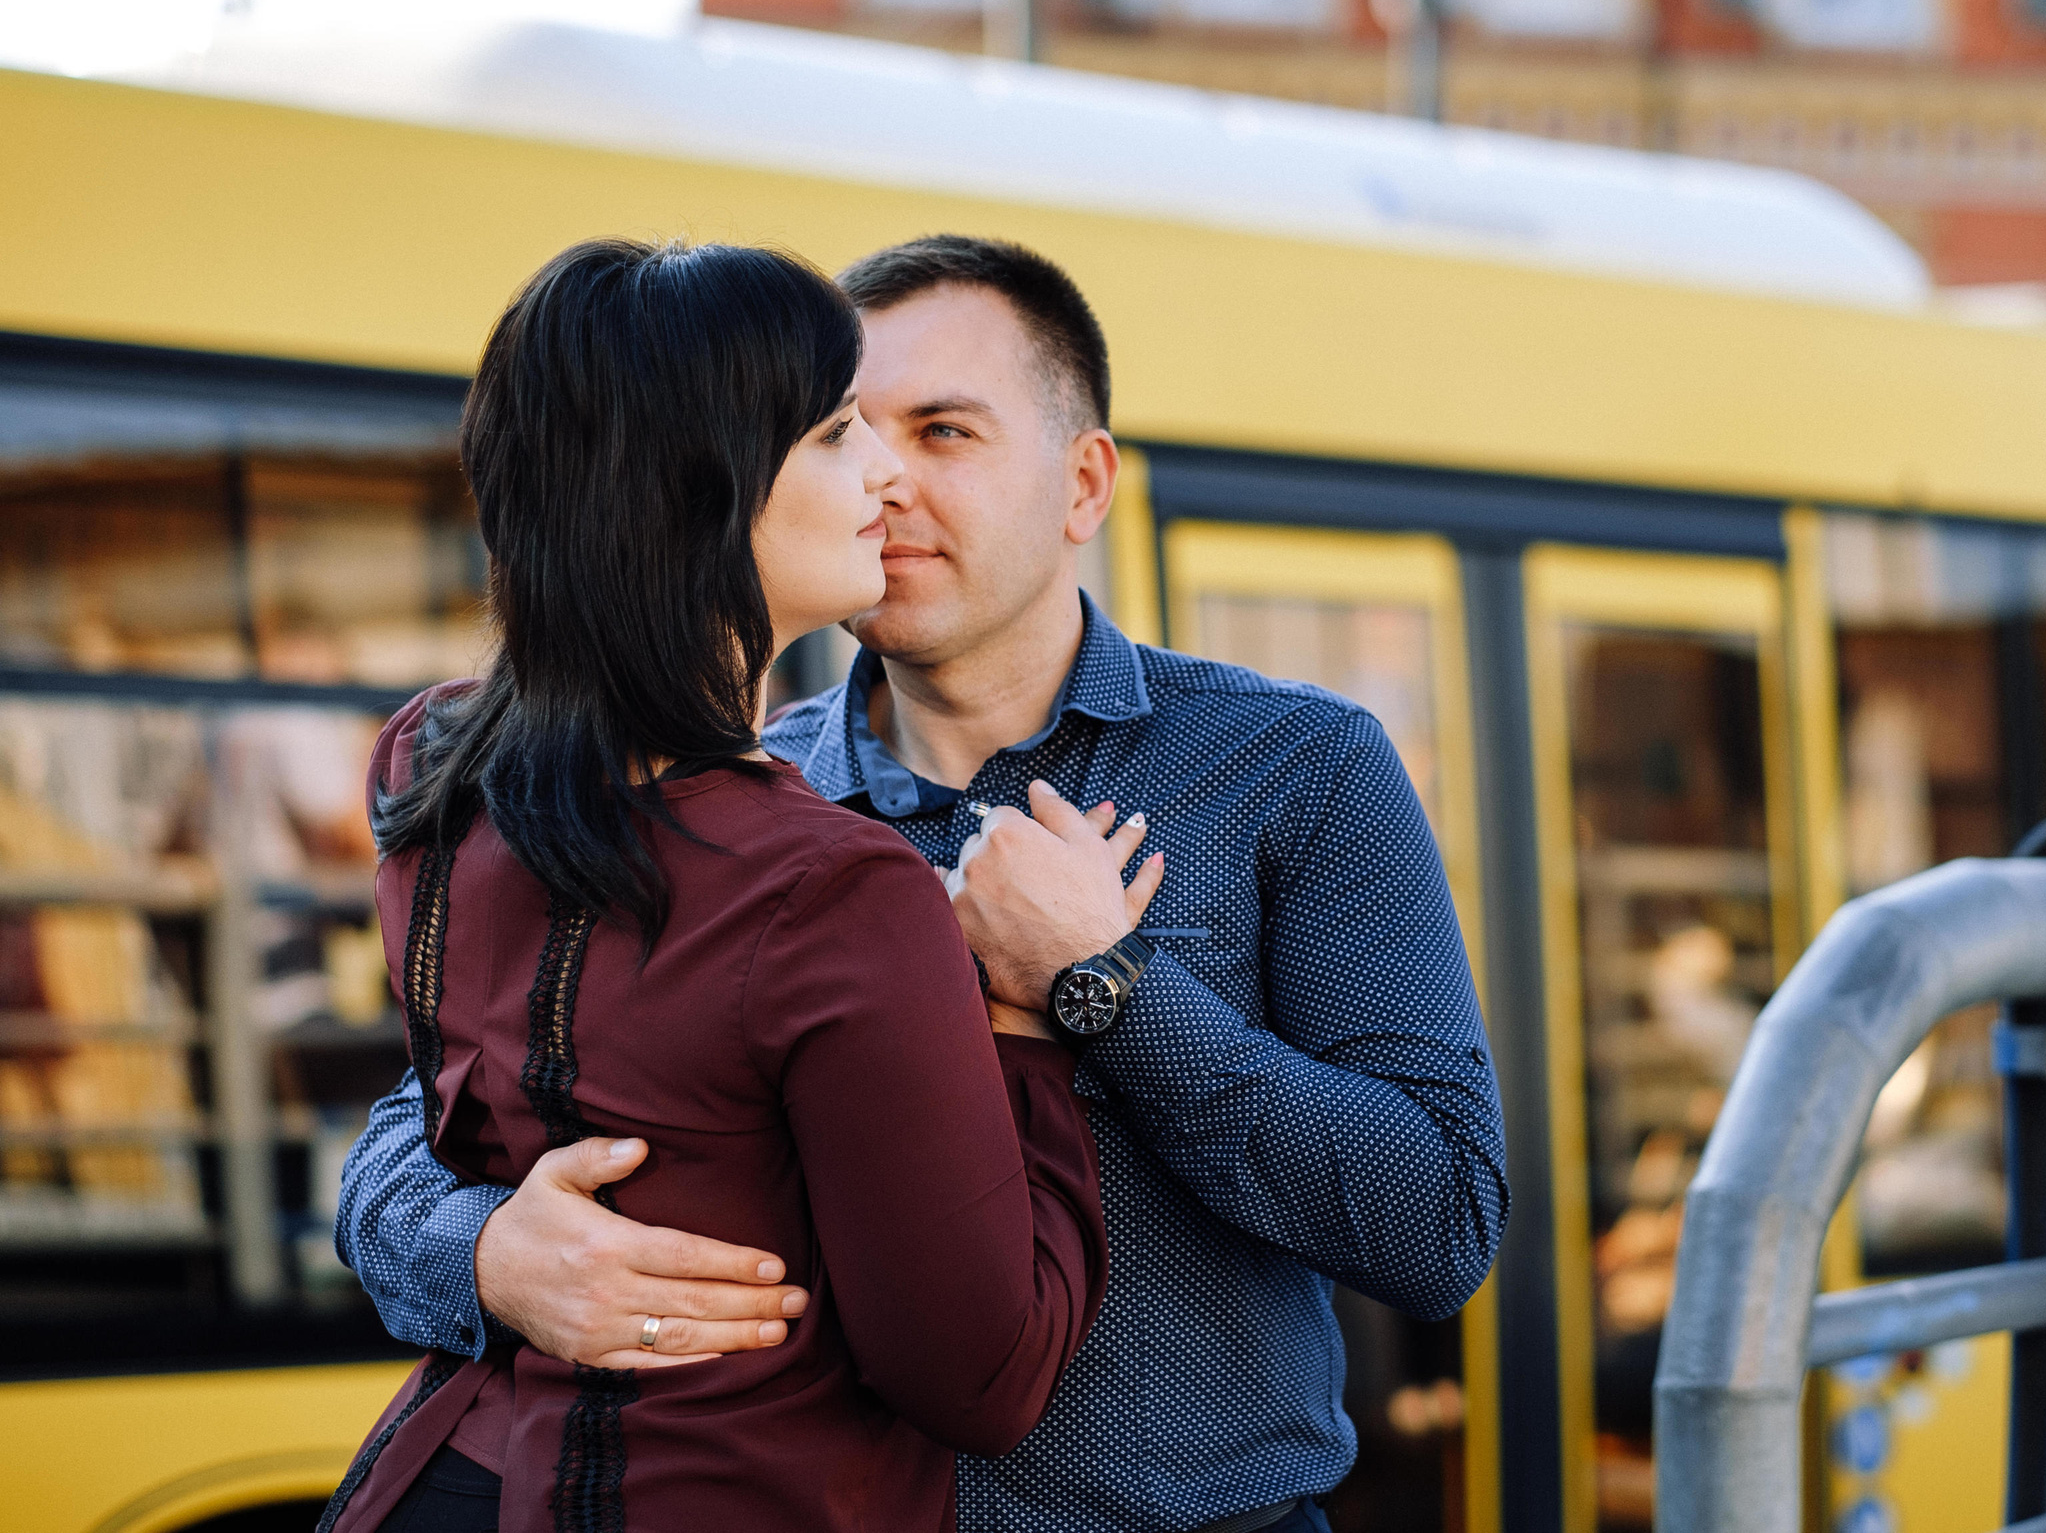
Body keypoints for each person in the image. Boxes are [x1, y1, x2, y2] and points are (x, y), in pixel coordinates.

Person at [336, 234, 1508, 1533]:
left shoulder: (1294, 764)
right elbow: (433, 1112)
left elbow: (1438, 1225)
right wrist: (484, 1255)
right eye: (842, 430)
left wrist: (1107, 990)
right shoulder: (717, 804)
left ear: (1083, 483)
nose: (886, 479)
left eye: (944, 431)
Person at [320, 239, 1111, 1533]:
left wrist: (475, 1249)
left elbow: (446, 1103)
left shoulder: (428, 765)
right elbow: (984, 1375)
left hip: (437, 1479)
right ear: (704, 494)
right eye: (840, 434)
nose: (884, 473)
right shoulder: (835, 893)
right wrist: (1034, 1012)